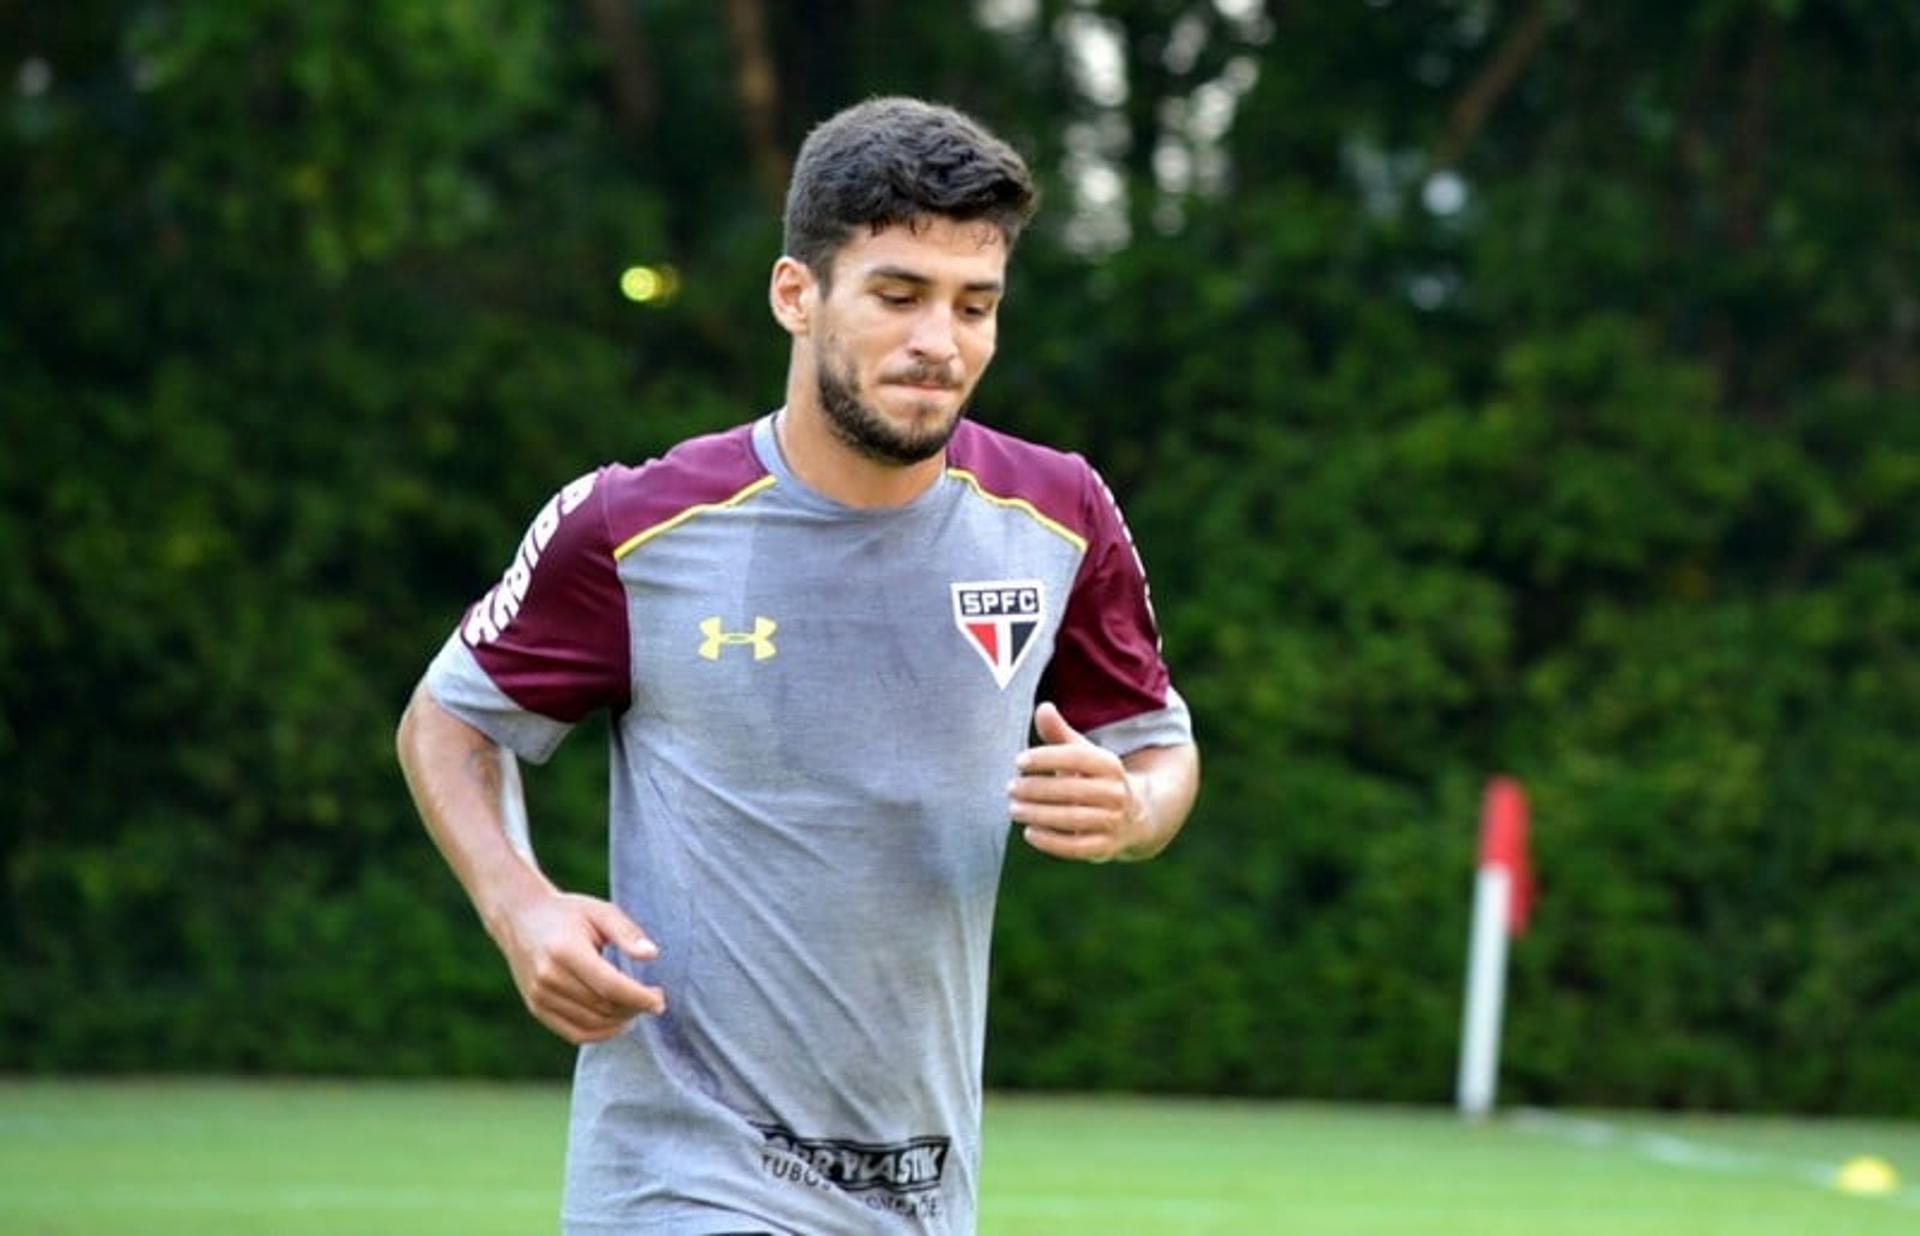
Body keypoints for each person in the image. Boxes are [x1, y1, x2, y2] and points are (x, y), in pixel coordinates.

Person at [395, 96, 1199, 1235]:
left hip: (921, 1188)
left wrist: (1136, 808)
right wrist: (517, 905)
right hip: (681, 1177)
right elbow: (450, 720)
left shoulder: (1058, 514)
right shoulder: (635, 526)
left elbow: (1158, 745)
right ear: (796, 294)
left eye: (976, 305)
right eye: (898, 294)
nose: (941, 341)